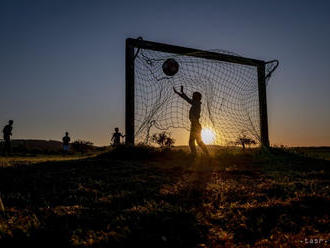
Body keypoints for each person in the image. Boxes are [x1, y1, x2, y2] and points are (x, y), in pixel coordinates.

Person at [173, 86, 209, 157]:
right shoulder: (196, 103)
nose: (192, 96)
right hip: (196, 125)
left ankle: (195, 154)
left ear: (197, 97)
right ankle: (204, 154)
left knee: (193, 142)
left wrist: (181, 93)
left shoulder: (196, 103)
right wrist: (181, 93)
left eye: (194, 95)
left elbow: (187, 99)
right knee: (197, 142)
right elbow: (187, 99)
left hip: (195, 125)